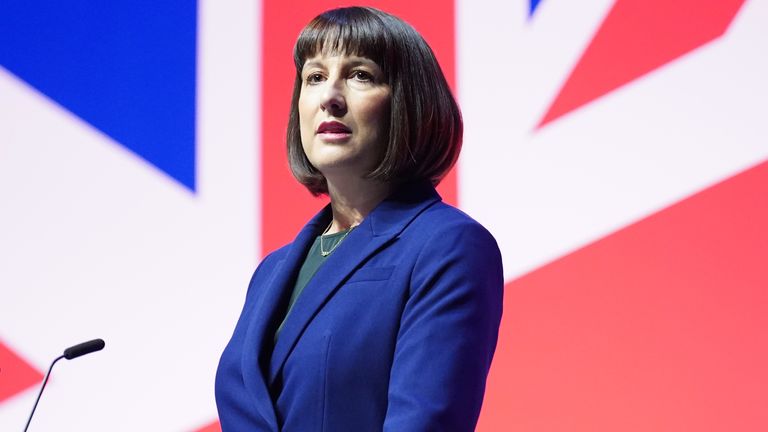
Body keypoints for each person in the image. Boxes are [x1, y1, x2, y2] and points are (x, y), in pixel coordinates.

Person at [215, 6, 503, 431]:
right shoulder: (272, 271)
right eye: (314, 77)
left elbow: (424, 421)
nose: (329, 96)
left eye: (360, 75)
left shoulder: (446, 246)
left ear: (409, 103)